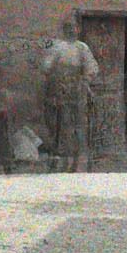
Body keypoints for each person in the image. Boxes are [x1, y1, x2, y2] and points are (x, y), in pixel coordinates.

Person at [41, 21, 100, 172]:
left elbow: (92, 68)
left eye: (74, 28)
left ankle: (79, 163)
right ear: (65, 30)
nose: (72, 31)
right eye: (69, 29)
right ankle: (63, 161)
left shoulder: (82, 47)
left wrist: (85, 81)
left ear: (78, 30)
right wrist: (57, 80)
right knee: (62, 125)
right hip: (60, 91)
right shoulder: (57, 47)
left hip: (78, 91)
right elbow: (46, 68)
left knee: (80, 126)